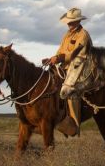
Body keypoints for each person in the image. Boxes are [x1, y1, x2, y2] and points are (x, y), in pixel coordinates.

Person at [43, 7, 93, 136]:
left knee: (71, 92)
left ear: (78, 21)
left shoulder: (83, 35)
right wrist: (52, 59)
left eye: (72, 21)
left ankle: (74, 125)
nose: (69, 24)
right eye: (68, 22)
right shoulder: (67, 35)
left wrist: (58, 58)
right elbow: (61, 51)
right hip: (66, 67)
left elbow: (74, 54)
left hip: (80, 68)